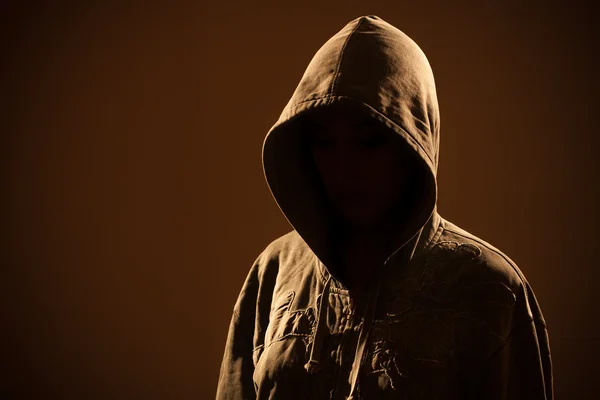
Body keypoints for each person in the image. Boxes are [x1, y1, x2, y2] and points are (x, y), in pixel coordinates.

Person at [215, 15, 553, 400]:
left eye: (370, 142)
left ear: (413, 142)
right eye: (325, 143)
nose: (344, 169)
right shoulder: (274, 271)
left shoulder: (492, 290)